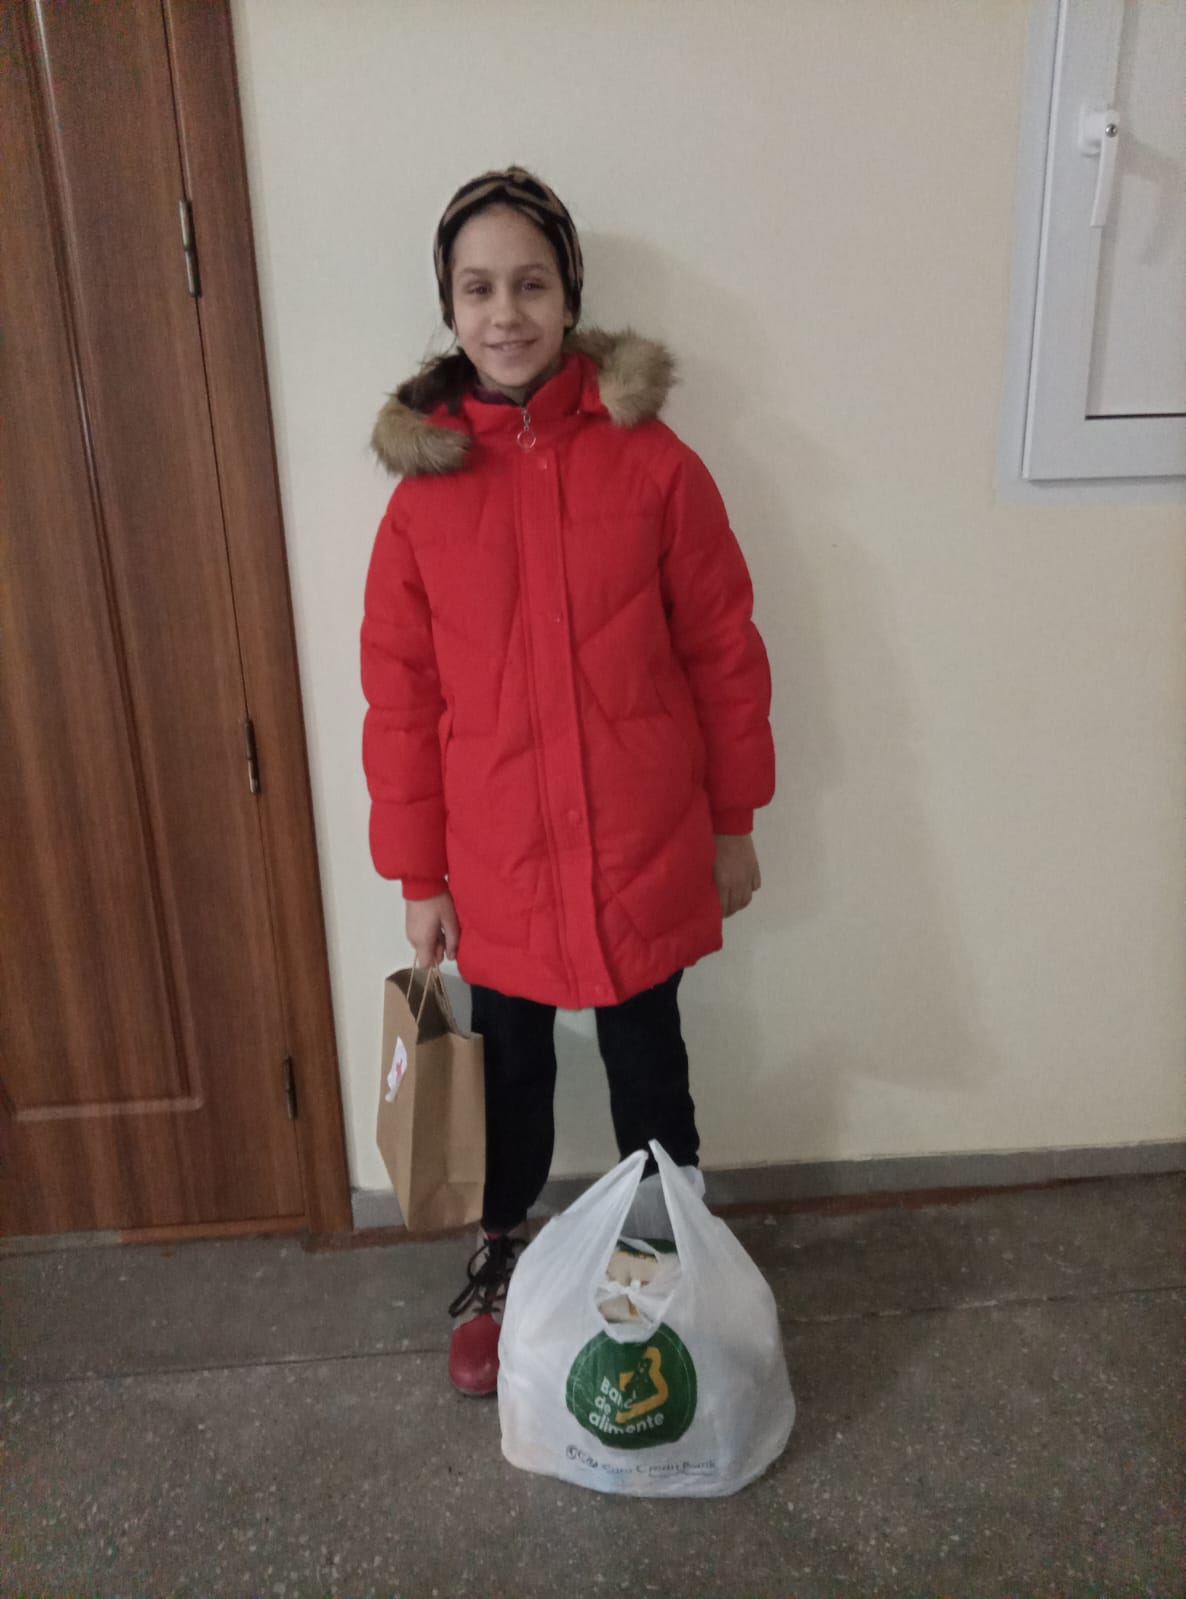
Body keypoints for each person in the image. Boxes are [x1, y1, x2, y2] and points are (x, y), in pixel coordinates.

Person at [362, 167, 774, 1396]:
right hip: (499, 860)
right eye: (478, 288)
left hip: (640, 841)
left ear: (570, 295)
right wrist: (420, 877)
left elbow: (723, 652)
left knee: (650, 1061)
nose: (506, 314)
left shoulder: (654, 465)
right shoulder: (424, 502)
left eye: (530, 284)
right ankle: (504, 1251)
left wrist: (732, 823)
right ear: (450, 306)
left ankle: (665, 1252)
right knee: (513, 1071)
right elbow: (402, 702)